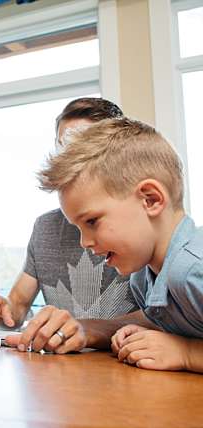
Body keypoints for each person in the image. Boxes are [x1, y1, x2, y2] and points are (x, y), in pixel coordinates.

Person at [16, 117, 203, 372]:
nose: (84, 242)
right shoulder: (144, 277)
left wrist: (186, 353)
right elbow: (154, 320)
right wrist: (94, 328)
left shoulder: (192, 270)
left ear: (150, 200)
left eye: (92, 221)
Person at [0, 98, 136, 331]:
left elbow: (161, 319)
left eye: (82, 144)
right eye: (63, 145)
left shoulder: (138, 225)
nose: (69, 157)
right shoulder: (45, 227)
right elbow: (17, 305)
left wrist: (89, 331)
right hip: (60, 365)